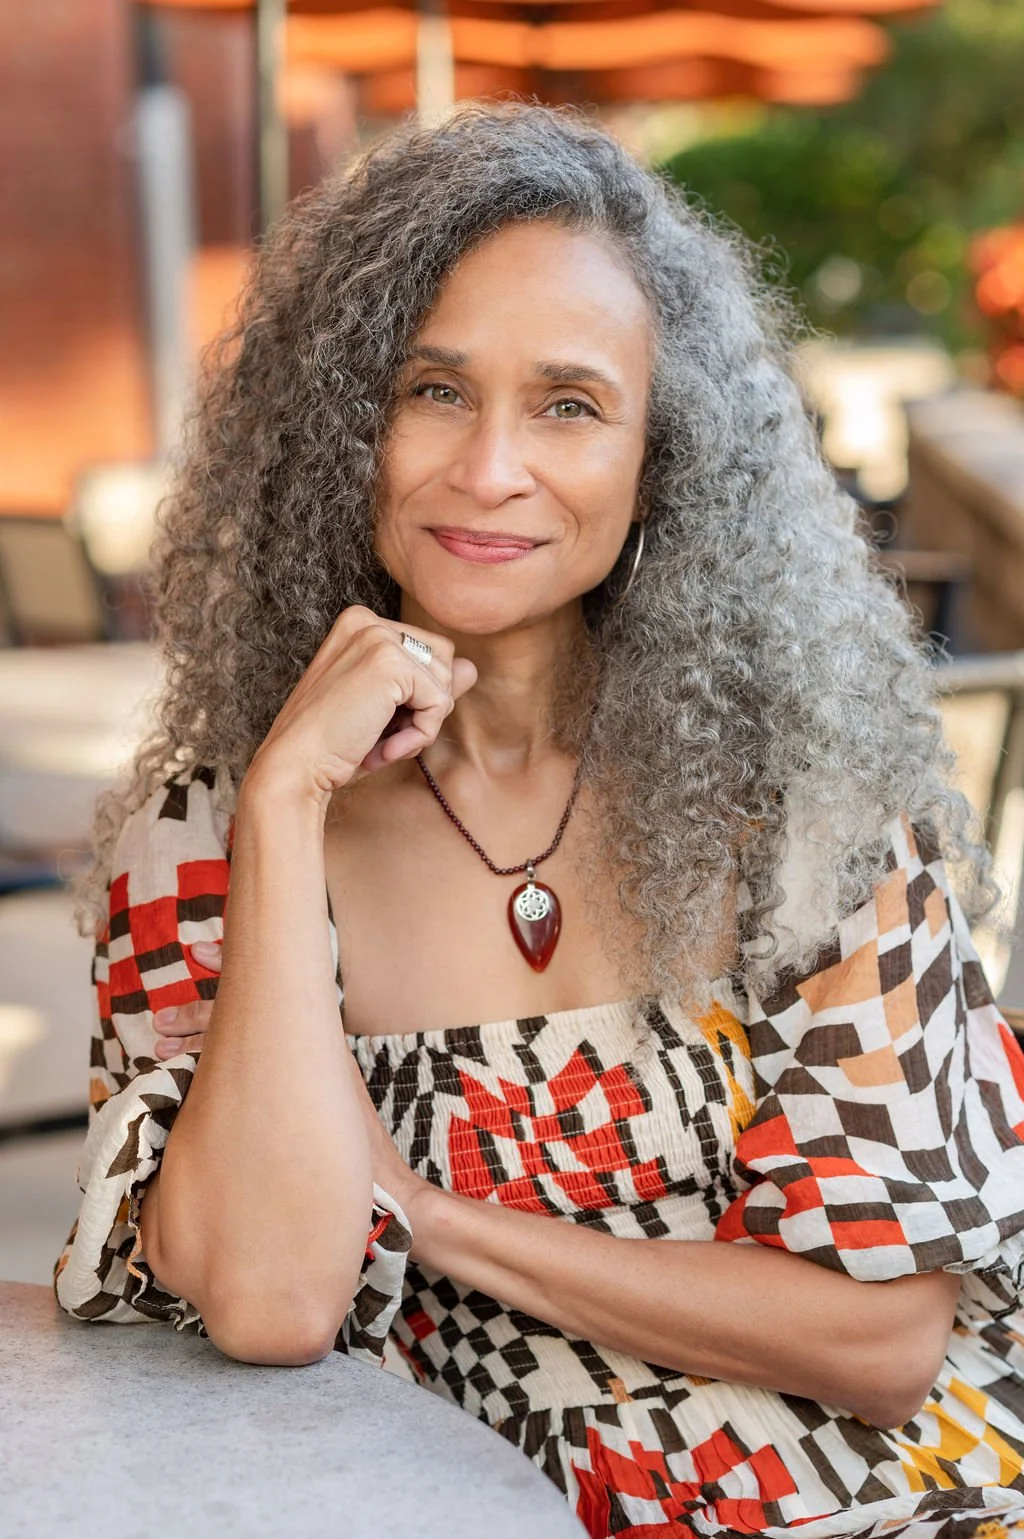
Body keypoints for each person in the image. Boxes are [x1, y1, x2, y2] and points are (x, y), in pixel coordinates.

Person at [54, 104, 1024, 1539]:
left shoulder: (813, 810)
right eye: (433, 390)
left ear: (660, 458)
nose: (489, 466)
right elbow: (268, 1293)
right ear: (342, 425)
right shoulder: (217, 842)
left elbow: (878, 1342)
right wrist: (283, 805)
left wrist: (432, 1217)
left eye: (569, 404)